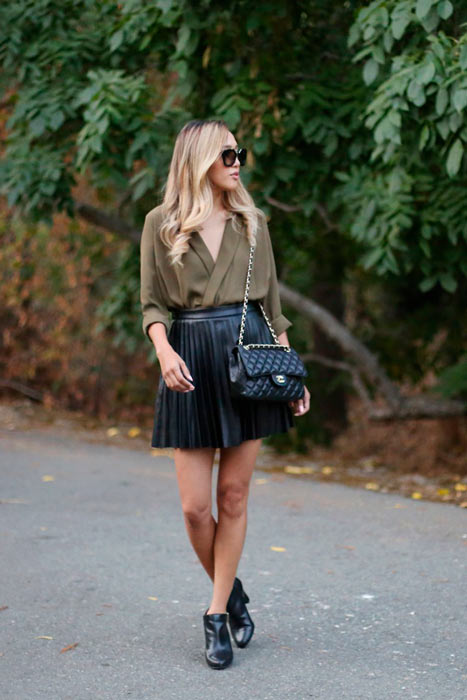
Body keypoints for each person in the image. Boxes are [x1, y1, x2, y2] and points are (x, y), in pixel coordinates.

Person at [140, 118, 310, 669]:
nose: (237, 162)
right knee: (195, 510)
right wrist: (165, 352)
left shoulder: (253, 223)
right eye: (227, 154)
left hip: (248, 359)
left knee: (232, 497)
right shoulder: (161, 224)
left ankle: (216, 614)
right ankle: (232, 588)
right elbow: (151, 305)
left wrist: (292, 376)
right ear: (199, 160)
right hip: (189, 358)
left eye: (240, 153)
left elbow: (273, 309)